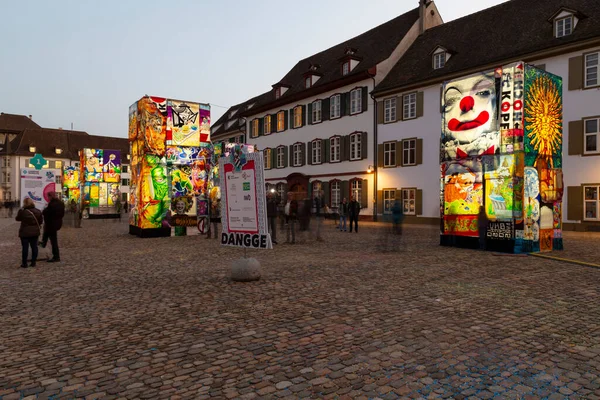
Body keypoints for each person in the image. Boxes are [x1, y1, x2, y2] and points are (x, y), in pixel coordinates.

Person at [16, 198, 43, 268]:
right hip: (34, 232)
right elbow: (40, 221)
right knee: (34, 247)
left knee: (25, 248)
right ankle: (33, 262)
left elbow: (17, 219)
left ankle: (24, 263)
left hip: (24, 232)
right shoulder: (38, 211)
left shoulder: (22, 211)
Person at [41, 192, 65, 263]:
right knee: (47, 235)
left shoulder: (52, 204)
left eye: (48, 197)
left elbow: (47, 213)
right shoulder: (60, 203)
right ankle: (43, 244)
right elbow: (62, 214)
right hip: (57, 223)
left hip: (51, 224)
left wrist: (44, 211)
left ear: (50, 196)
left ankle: (56, 256)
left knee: (53, 241)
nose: (48, 198)